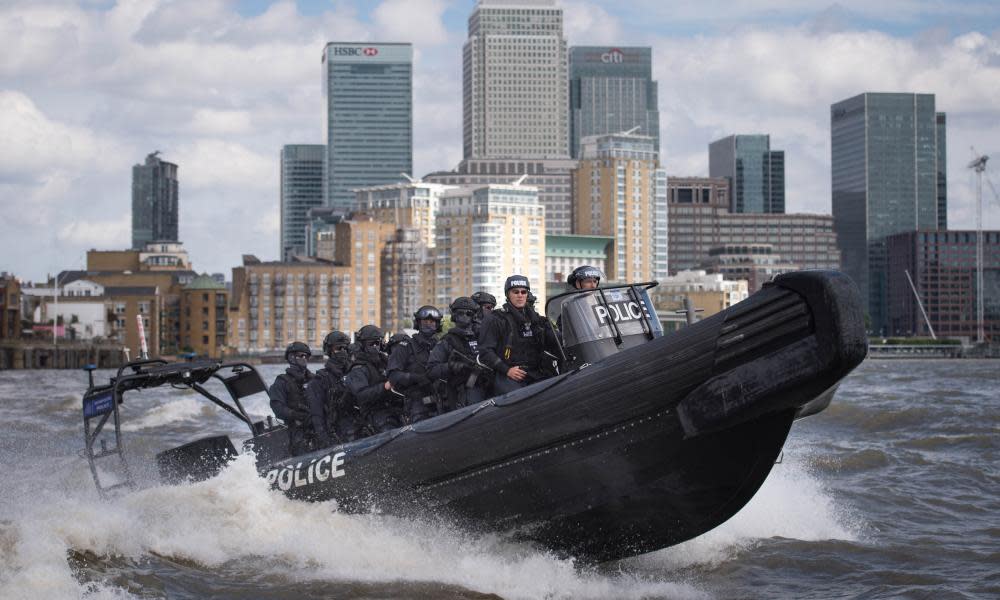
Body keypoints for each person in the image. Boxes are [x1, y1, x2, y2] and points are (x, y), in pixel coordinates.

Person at [478, 275, 562, 395]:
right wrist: (507, 370)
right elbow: (485, 351)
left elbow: (556, 340)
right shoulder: (495, 319)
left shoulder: (538, 320)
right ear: (508, 294)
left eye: (523, 292)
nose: (520, 295)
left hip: (536, 373)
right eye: (515, 292)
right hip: (508, 375)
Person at [428, 297, 490, 412]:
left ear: (474, 316)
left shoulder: (483, 337)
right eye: (460, 313)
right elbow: (432, 369)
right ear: (454, 316)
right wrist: (451, 366)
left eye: (468, 313)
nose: (464, 316)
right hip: (462, 394)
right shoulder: (447, 341)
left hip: (487, 387)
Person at [306, 330, 361, 448]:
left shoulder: (356, 373)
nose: (342, 352)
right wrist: (327, 442)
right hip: (338, 430)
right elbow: (317, 416)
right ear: (329, 351)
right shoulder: (319, 382)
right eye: (338, 348)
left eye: (345, 348)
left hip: (360, 423)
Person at [388, 306, 442, 423]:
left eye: (432, 322)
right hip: (418, 402)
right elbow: (393, 375)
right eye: (425, 322)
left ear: (438, 325)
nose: (428, 325)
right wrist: (415, 378)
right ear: (418, 324)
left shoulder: (442, 345)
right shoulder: (405, 346)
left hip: (442, 399)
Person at [345, 325, 401, 434]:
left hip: (393, 407)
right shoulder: (358, 369)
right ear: (362, 345)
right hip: (374, 412)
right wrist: (385, 386)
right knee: (389, 428)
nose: (375, 347)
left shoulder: (385, 362)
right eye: (371, 344)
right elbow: (361, 395)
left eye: (378, 343)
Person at [268, 341, 315, 456]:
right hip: (296, 429)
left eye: (306, 356)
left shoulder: (315, 379)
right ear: (291, 358)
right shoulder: (282, 382)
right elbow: (277, 407)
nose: (304, 358)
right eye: (300, 355)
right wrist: (295, 414)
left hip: (316, 424)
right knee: (300, 444)